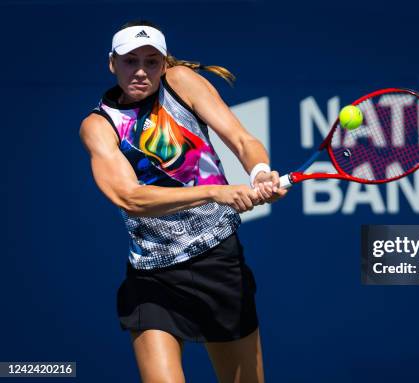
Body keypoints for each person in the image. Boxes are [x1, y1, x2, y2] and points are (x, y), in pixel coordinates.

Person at [78, 19, 286, 383]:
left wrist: (259, 172)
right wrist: (215, 191)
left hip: (219, 262)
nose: (141, 71)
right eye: (130, 61)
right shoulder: (98, 126)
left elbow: (240, 140)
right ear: (112, 63)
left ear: (164, 63)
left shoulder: (181, 83)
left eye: (151, 61)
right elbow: (130, 197)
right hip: (154, 278)